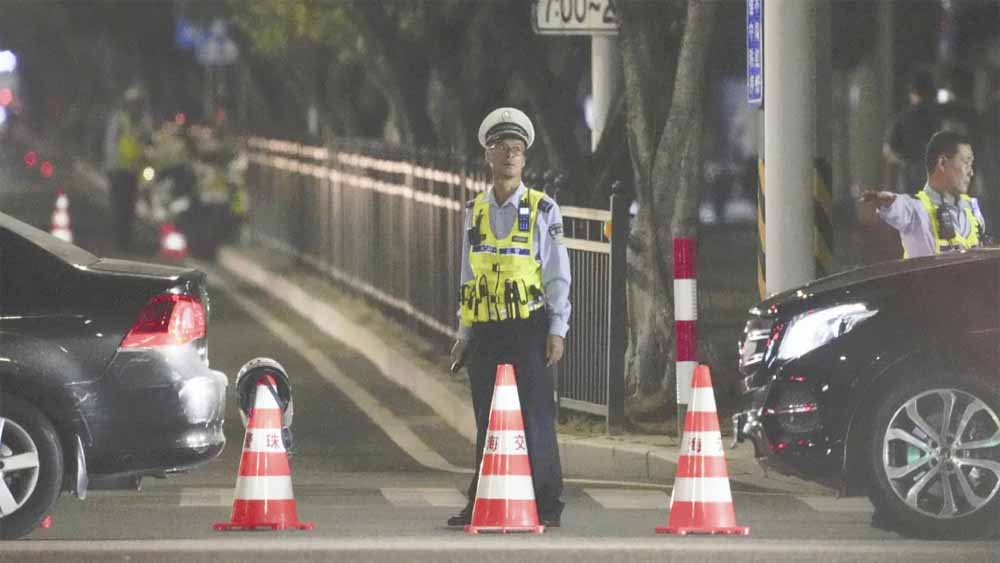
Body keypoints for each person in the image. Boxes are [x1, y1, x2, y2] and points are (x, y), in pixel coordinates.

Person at [447, 107, 570, 528]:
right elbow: (468, 275)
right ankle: (481, 500)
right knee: (487, 418)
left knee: (536, 415)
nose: (510, 155)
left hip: (527, 327)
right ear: (488, 155)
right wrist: (464, 332)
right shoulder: (475, 210)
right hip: (486, 328)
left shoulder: (543, 209)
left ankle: (547, 502)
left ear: (524, 158)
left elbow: (557, 276)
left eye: (517, 149)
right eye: (502, 147)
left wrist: (557, 329)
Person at [863, 130, 984, 258]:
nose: (971, 172)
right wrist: (885, 202)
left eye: (971, 164)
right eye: (966, 163)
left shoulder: (972, 208)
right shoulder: (916, 210)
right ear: (942, 163)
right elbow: (897, 206)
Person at [104, 86, 151, 249]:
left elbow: (145, 144)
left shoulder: (142, 123)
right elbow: (111, 143)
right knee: (119, 205)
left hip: (132, 171)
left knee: (129, 206)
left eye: (139, 104)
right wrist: (111, 165)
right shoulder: (119, 120)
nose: (136, 107)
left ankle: (126, 239)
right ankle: (119, 239)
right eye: (134, 104)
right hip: (118, 169)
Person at [884, 70, 942, 195]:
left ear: (913, 93)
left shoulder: (903, 118)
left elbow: (890, 151)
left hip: (908, 177)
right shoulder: (939, 117)